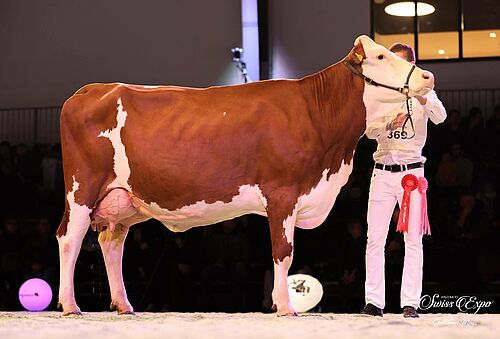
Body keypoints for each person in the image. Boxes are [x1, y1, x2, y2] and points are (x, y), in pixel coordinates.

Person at [360, 43, 447, 318]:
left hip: (412, 175)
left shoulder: (425, 90)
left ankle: (410, 302)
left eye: (400, 63)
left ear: (411, 65)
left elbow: (441, 116)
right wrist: (388, 125)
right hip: (382, 171)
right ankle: (374, 302)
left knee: (414, 240)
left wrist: (422, 97)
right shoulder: (381, 93)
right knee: (375, 239)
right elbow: (369, 130)